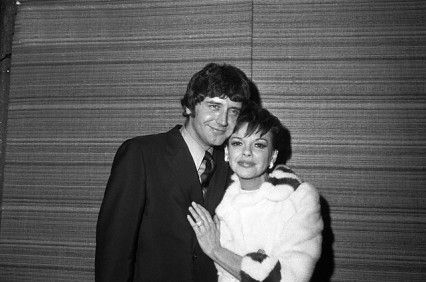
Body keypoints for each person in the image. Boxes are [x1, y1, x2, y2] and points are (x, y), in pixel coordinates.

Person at [95, 63, 260, 281]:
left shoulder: (236, 165)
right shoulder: (141, 154)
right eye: (214, 106)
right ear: (190, 106)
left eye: (233, 111)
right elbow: (114, 250)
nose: (223, 121)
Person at [188, 103, 323, 282]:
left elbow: (288, 277)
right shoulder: (220, 199)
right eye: (237, 143)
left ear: (273, 156)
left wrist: (216, 250)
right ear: (227, 152)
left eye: (258, 145)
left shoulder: (298, 198)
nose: (246, 153)